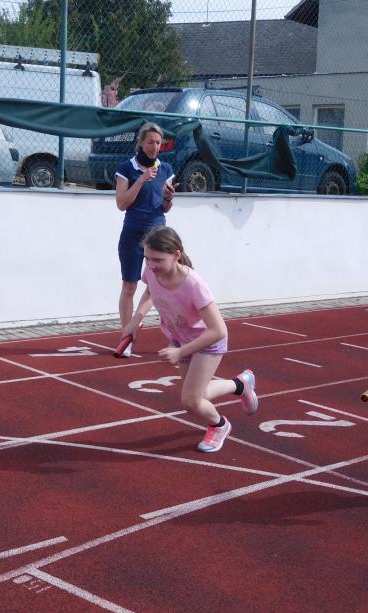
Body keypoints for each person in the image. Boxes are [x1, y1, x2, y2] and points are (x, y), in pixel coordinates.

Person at [121, 226, 257, 453]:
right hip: (180, 338)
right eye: (147, 258)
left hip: (206, 342)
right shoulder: (152, 271)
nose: (151, 265)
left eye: (157, 260)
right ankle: (240, 385)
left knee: (191, 401)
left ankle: (220, 425)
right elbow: (149, 291)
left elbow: (218, 329)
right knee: (198, 395)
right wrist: (136, 320)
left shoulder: (194, 285)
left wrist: (181, 352)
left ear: (176, 255)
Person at [115, 122, 177, 356]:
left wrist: (169, 199)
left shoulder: (166, 169)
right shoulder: (126, 168)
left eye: (158, 143)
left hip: (158, 236)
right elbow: (122, 204)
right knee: (129, 286)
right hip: (132, 233)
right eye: (150, 142)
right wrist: (141, 180)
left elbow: (165, 207)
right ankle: (126, 338)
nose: (155, 147)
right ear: (140, 142)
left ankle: (174, 337)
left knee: (160, 286)